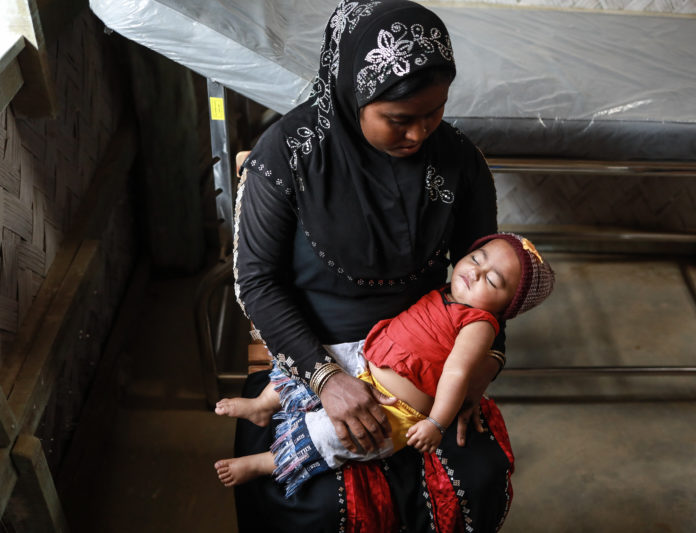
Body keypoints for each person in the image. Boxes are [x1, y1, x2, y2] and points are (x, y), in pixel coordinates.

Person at [230, 0, 518, 530]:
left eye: (436, 112)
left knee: (476, 477)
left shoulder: (460, 162)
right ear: (352, 93)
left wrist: (482, 367)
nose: (421, 133)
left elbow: (495, 282)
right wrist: (326, 379)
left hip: (423, 361)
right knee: (312, 504)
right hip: (314, 349)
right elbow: (259, 282)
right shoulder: (288, 158)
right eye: (400, 120)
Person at [215, 233, 555, 495]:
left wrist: (437, 423)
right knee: (318, 359)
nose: (476, 272)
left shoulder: (480, 324)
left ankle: (264, 464)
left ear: (504, 309)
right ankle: (263, 405)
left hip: (395, 409)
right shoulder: (448, 291)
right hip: (364, 355)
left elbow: (457, 372)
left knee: (329, 438)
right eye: (476, 258)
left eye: (493, 281)